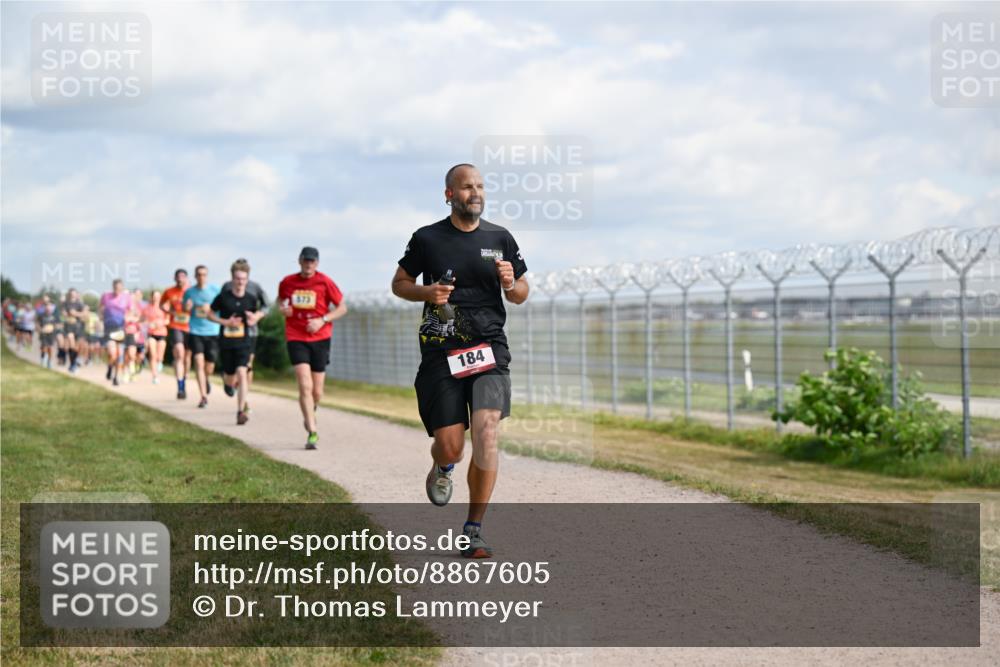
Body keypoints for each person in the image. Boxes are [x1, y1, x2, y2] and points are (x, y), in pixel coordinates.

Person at [390, 163, 529, 559]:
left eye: (481, 186)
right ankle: (443, 467)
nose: (476, 193)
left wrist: (509, 283)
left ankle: (473, 530)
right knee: (451, 446)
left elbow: (520, 292)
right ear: (449, 193)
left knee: (486, 433)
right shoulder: (427, 238)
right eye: (467, 187)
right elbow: (399, 284)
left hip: (489, 348)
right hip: (441, 349)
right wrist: (427, 293)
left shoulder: (500, 238)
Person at [277, 246, 347, 449]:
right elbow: (281, 302)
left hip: (320, 337)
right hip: (296, 336)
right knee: (304, 385)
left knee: (317, 391)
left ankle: (310, 409)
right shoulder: (288, 282)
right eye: (305, 260)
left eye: (312, 261)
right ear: (299, 261)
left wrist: (322, 320)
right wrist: (284, 309)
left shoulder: (324, 281)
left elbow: (342, 307)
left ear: (316, 263)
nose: (308, 264)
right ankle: (312, 431)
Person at [209, 259, 266, 425]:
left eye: (243, 279)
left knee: (243, 373)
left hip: (244, 342)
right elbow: (210, 314)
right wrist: (226, 322)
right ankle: (226, 380)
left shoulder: (251, 298)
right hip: (226, 342)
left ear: (247, 279)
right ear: (232, 279)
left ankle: (240, 411)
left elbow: (257, 315)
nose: (240, 282)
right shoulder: (223, 297)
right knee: (230, 377)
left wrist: (253, 319)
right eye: (237, 278)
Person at [221, 258, 268, 413]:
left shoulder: (255, 287)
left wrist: (257, 316)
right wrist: (226, 322)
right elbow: (220, 307)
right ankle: (230, 382)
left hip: (250, 333)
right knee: (232, 372)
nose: (240, 280)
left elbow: (266, 307)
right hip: (229, 335)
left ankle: (244, 400)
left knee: (247, 367)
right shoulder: (227, 287)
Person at [183, 265, 220, 408]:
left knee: (209, 365)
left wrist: (209, 309)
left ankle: (207, 379)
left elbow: (222, 307)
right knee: (198, 361)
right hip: (195, 330)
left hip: (213, 331)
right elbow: (185, 309)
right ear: (195, 276)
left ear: (207, 276)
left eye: (204, 274)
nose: (201, 277)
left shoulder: (215, 290)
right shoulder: (189, 292)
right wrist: (187, 307)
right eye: (198, 274)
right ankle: (203, 396)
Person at [161, 269, 192, 399]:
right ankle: (180, 387)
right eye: (178, 277)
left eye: (182, 277)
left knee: (187, 357)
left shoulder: (192, 291)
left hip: (190, 327)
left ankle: (184, 380)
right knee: (179, 353)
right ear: (175, 278)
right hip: (175, 326)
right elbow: (162, 304)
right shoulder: (169, 291)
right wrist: (169, 312)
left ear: (186, 278)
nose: (180, 279)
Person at [99, 279, 133, 386]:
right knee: (112, 353)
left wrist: (128, 318)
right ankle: (110, 366)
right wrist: (100, 319)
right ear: (113, 287)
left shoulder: (127, 298)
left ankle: (116, 377)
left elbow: (131, 311)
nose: (117, 290)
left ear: (122, 288)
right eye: (115, 288)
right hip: (109, 328)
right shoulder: (106, 296)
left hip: (120, 328)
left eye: (119, 288)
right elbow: (101, 309)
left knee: (119, 353)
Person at [144, 289, 168, 384]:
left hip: (162, 333)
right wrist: (149, 324)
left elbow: (168, 320)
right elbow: (143, 320)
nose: (155, 298)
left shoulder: (164, 307)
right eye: (154, 296)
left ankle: (160, 362)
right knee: (153, 355)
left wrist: (160, 323)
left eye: (158, 297)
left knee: (159, 356)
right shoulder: (147, 308)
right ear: (151, 297)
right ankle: (155, 376)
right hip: (151, 334)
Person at [60, 289, 86, 372]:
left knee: (76, 347)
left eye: (74, 294)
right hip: (69, 326)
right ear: (69, 294)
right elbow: (63, 312)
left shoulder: (80, 303)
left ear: (76, 294)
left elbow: (84, 314)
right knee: (71, 342)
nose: (73, 295)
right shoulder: (66, 303)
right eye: (71, 294)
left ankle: (75, 361)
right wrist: (66, 314)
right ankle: (72, 363)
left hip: (78, 327)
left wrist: (76, 313)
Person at [38, 301, 59, 368]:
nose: (48, 308)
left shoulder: (55, 316)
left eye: (49, 306)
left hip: (52, 334)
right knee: (43, 347)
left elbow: (59, 324)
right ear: (45, 308)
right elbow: (37, 324)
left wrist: (53, 327)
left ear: (52, 308)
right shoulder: (41, 316)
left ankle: (49, 362)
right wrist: (40, 329)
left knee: (50, 348)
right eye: (46, 306)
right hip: (43, 334)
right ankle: (43, 360)